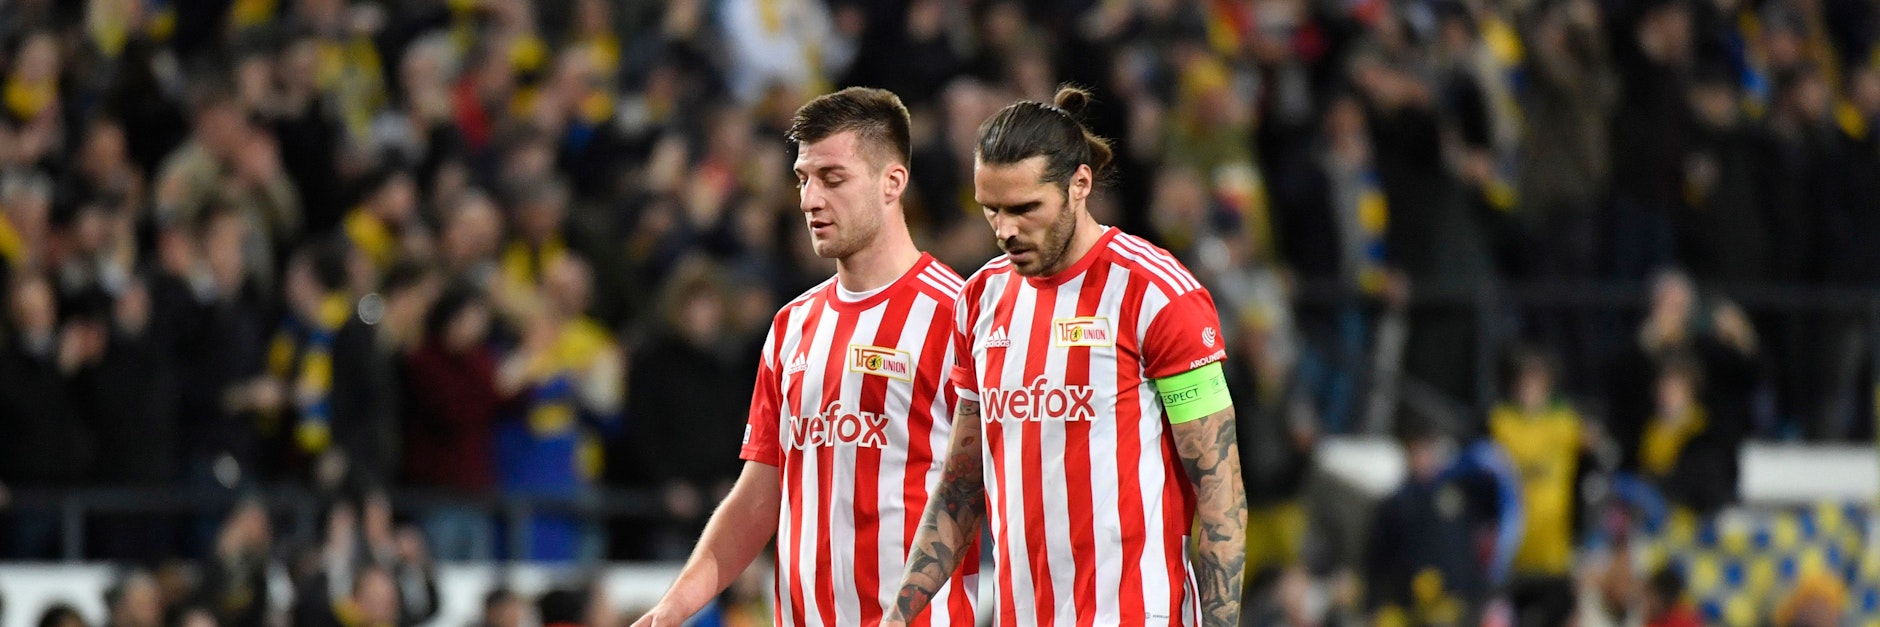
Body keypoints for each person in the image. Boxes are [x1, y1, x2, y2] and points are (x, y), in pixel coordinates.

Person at [887, 86, 1248, 626]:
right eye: (992, 210)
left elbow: (1219, 490)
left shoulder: (1155, 292)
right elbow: (962, 485)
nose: (1006, 230)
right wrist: (898, 617)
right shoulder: (980, 300)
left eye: (1025, 208)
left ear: (1080, 185)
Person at [635, 87, 976, 626]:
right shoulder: (792, 325)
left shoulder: (959, 315)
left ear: (893, 182)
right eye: (803, 179)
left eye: (832, 179)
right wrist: (670, 609)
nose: (809, 200)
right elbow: (757, 498)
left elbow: (996, 491)